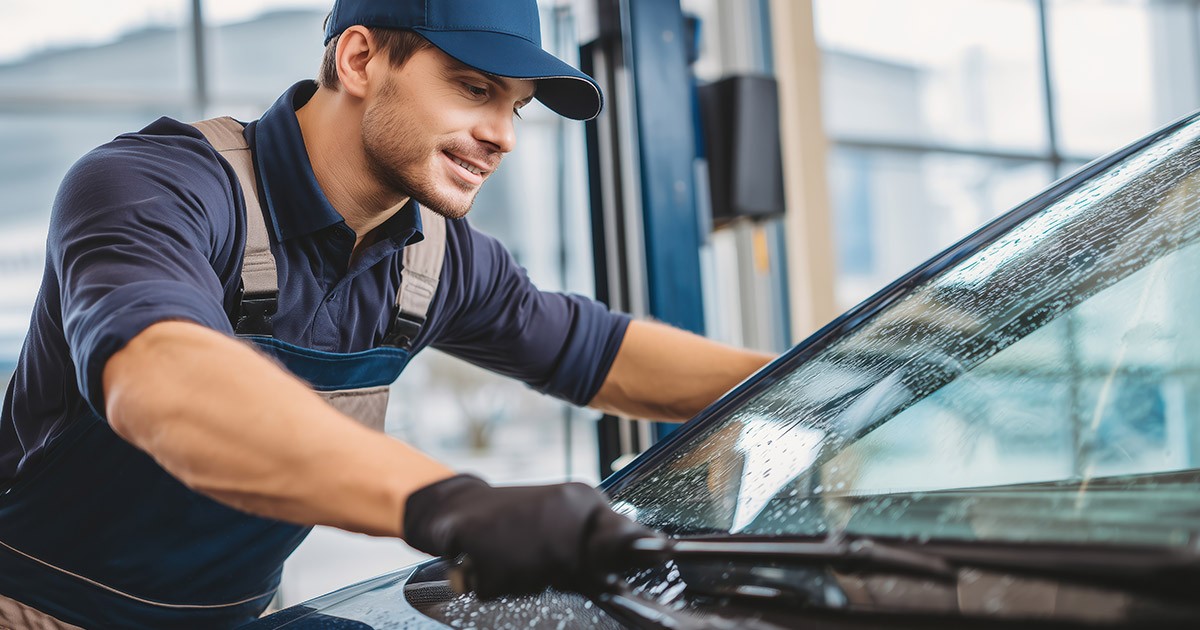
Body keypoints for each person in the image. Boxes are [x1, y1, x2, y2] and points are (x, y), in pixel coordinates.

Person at [0, 0, 773, 627]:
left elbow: (599, 352)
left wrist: (839, 371)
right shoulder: (154, 185)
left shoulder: (438, 258)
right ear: (360, 59)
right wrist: (456, 507)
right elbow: (165, 381)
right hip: (36, 608)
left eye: (517, 107)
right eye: (474, 88)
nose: (502, 135)